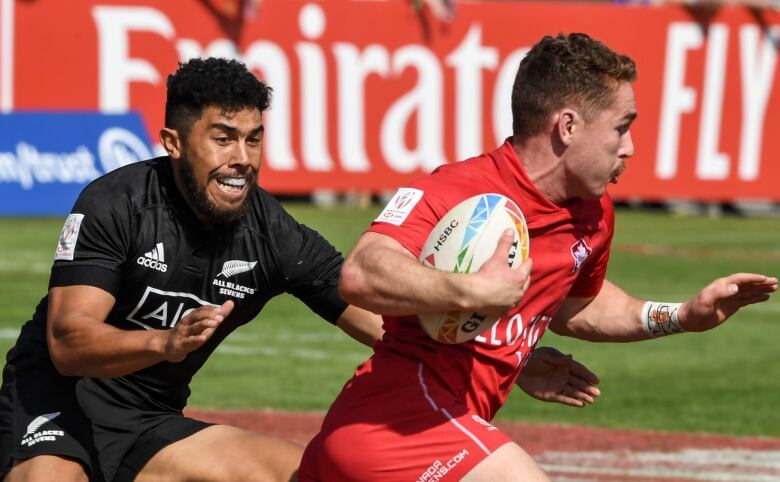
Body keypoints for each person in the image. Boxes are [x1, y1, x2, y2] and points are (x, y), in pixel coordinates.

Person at [0, 57, 601, 482]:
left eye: (254, 139)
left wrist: (492, 347)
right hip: (54, 406)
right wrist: (165, 341)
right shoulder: (115, 203)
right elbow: (68, 343)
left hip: (148, 420)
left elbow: (373, 315)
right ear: (174, 142)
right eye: (223, 138)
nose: (242, 159)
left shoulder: (270, 231)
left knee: (305, 475)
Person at [298, 32, 778, 482]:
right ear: (567, 126)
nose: (630, 147)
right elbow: (360, 272)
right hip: (393, 422)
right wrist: (472, 290)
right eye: (621, 128)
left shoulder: (593, 214)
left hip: (439, 425)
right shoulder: (461, 190)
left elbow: (579, 307)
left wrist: (679, 316)